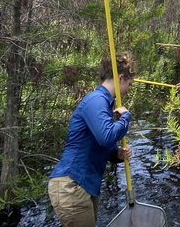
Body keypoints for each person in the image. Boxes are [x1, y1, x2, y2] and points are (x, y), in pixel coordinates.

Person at [48, 53, 135, 227]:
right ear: (121, 78)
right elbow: (106, 137)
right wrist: (126, 117)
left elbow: (98, 143)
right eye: (129, 84)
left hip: (83, 186)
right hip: (71, 185)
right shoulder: (96, 100)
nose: (128, 89)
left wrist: (115, 154)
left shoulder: (103, 103)